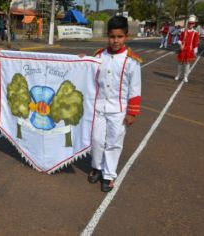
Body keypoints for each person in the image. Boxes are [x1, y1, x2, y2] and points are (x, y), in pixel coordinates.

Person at [88, 16, 142, 192]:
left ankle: (109, 175)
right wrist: (83, 62)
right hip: (99, 107)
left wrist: (132, 112)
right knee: (96, 140)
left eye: (119, 37)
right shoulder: (98, 56)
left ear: (126, 36)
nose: (115, 41)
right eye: (112, 37)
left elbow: (135, 89)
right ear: (107, 36)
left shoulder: (131, 61)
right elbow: (88, 77)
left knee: (114, 142)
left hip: (119, 110)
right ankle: (96, 166)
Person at [174, 15, 199, 83]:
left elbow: (195, 43)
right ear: (188, 23)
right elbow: (179, 39)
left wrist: (195, 51)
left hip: (189, 50)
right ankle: (178, 75)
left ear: (194, 24)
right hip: (182, 49)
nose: (190, 24)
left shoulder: (195, 33)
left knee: (187, 64)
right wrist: (180, 44)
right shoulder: (183, 30)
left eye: (192, 23)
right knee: (180, 63)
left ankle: (185, 76)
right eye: (189, 23)